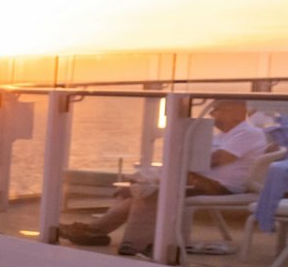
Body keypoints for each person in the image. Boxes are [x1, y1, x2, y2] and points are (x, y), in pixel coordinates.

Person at [65, 97, 275, 248]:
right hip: (202, 179)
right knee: (145, 188)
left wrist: (183, 161)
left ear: (236, 111)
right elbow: (199, 159)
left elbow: (217, 160)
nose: (212, 116)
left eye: (216, 111)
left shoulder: (249, 134)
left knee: (152, 190)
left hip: (222, 186)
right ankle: (98, 231)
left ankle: (121, 237)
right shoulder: (222, 135)